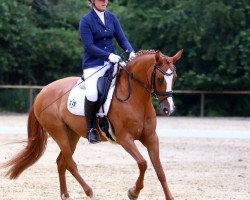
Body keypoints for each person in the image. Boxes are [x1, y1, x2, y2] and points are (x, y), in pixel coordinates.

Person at [79, 0, 136, 144]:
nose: (104, 1)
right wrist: (108, 56)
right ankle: (91, 129)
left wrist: (131, 52)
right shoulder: (86, 20)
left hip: (113, 62)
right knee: (92, 94)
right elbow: (89, 46)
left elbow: (122, 39)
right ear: (92, 1)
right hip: (93, 65)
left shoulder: (112, 17)